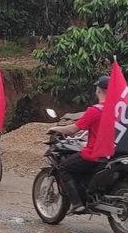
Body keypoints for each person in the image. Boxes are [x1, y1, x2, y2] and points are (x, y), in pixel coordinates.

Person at [47, 75, 113, 209]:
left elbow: (73, 129)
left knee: (64, 167)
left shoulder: (95, 110)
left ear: (98, 90)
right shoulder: (120, 110)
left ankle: (77, 203)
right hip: (116, 152)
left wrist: (55, 128)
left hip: (96, 153)